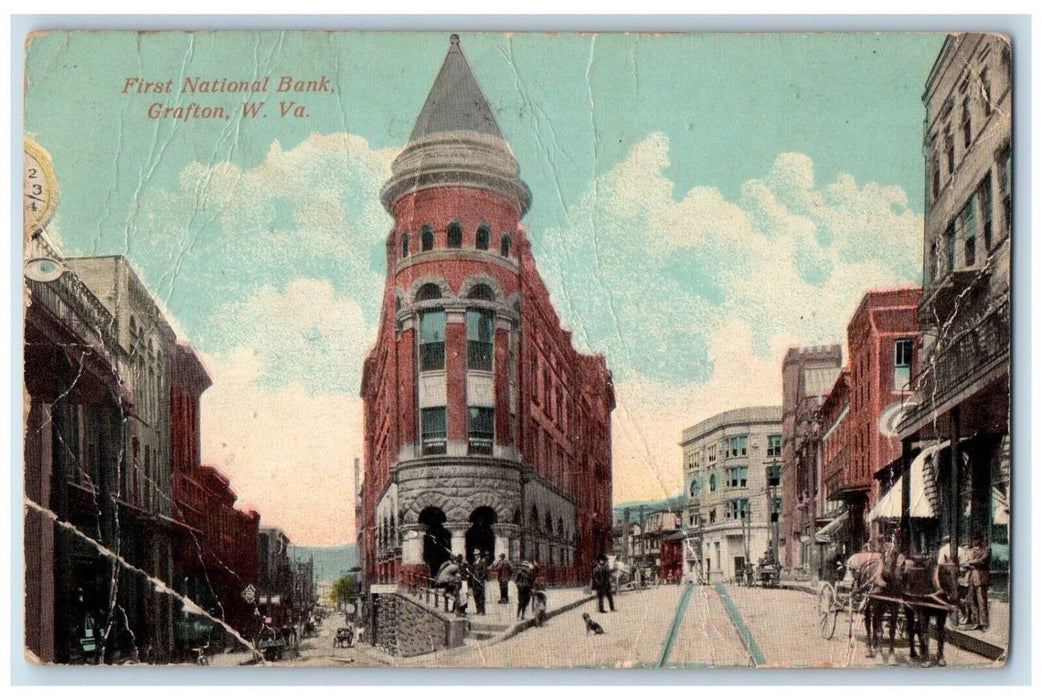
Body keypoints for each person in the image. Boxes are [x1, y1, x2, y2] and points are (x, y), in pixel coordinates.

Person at [966, 537, 991, 631]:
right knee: (971, 600)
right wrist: (971, 562)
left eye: (976, 539)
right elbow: (966, 563)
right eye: (973, 539)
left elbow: (982, 560)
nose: (975, 541)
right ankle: (976, 622)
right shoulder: (970, 551)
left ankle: (984, 623)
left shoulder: (986, 549)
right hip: (972, 578)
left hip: (981, 578)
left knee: (981, 601)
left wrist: (972, 562)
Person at [469, 550, 488, 615]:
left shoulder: (483, 561)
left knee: (481, 596)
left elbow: (485, 572)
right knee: (475, 595)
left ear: (479, 555)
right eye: (474, 555)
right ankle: (478, 609)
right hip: (474, 581)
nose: (475, 556)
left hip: (480, 581)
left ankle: (482, 611)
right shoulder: (474, 563)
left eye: (477, 555)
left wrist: (481, 579)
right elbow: (472, 572)